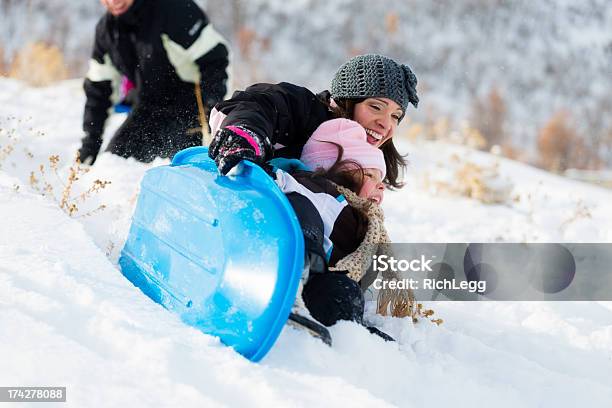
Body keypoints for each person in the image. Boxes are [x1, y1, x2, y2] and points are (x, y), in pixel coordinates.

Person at [208, 53, 419, 189]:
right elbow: (258, 104)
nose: (386, 124)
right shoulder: (305, 111)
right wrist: (245, 134)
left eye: (395, 116)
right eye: (376, 107)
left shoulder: (370, 164)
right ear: (346, 101)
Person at [272, 118, 395, 337]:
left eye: (381, 179)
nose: (381, 184)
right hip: (280, 258)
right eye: (369, 175)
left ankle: (350, 331)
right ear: (338, 171)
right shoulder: (314, 187)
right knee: (304, 210)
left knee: (345, 291)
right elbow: (276, 182)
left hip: (317, 285)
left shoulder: (368, 231)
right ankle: (292, 288)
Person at [79, 0, 230, 164]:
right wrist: (90, 142)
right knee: (113, 163)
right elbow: (98, 90)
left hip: (191, 106)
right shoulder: (106, 31)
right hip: (148, 107)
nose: (114, 1)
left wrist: (213, 112)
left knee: (182, 166)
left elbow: (216, 60)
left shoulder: (174, 9)